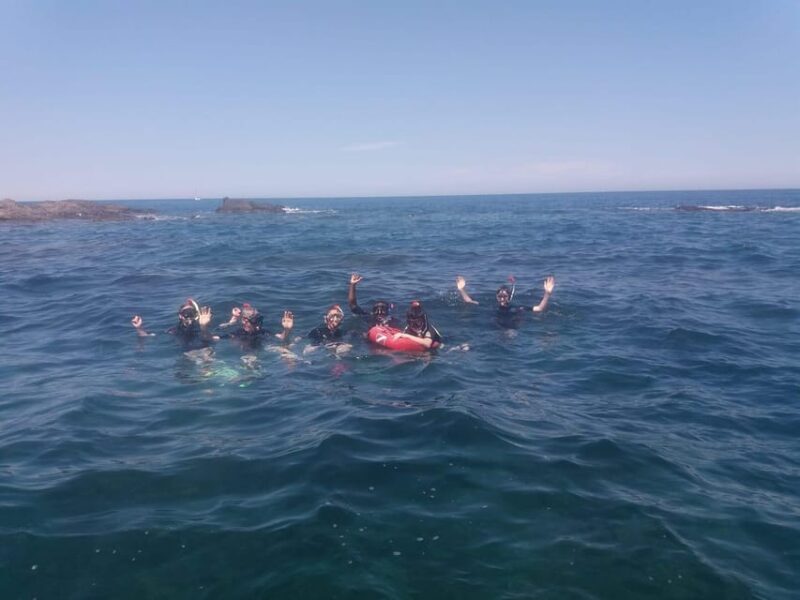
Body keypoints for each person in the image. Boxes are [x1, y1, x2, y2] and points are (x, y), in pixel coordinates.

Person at [456, 275, 555, 326]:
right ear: (496, 297)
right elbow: (469, 301)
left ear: (509, 297)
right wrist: (462, 289)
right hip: (496, 327)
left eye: (505, 296)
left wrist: (547, 294)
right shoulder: (491, 306)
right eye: (500, 296)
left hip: (511, 327)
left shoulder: (517, 308)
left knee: (511, 333)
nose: (502, 299)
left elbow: (539, 308)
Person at [131, 298, 217, 344]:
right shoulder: (174, 330)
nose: (189, 316)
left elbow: (210, 339)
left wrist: (204, 327)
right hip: (188, 354)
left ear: (196, 314)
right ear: (180, 316)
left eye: (192, 313)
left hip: (205, 351)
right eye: (186, 313)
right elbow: (150, 336)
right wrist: (139, 328)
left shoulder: (200, 327)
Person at [220, 302, 294, 344]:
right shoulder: (237, 333)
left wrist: (287, 330)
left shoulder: (262, 332)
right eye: (255, 321)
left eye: (259, 320)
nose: (258, 324)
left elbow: (282, 338)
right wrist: (207, 327)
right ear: (244, 321)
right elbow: (213, 338)